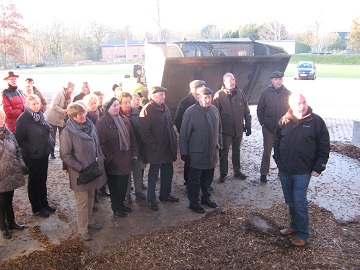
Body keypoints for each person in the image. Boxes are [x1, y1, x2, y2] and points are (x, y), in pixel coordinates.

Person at [273, 93, 330, 247]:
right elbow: (276, 144)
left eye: (304, 102)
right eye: (298, 103)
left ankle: (304, 233)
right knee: (290, 200)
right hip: (285, 170)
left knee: (299, 201)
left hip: (303, 171)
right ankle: (294, 225)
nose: (302, 106)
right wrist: (278, 161)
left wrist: (319, 166)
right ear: (291, 105)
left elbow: (324, 146)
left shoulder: (316, 121)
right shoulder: (283, 121)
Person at [60, 102, 107, 241]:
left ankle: (90, 220)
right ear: (73, 117)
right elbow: (65, 155)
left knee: (91, 196)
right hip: (80, 172)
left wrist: (101, 160)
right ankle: (83, 228)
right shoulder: (67, 132)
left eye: (84, 113)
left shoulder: (91, 125)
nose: (83, 116)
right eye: (80, 114)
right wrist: (80, 168)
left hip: (93, 168)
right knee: (82, 201)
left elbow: (97, 144)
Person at [179, 86, 222, 214]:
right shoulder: (190, 112)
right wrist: (184, 153)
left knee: (208, 178)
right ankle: (193, 202)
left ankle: (206, 198)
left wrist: (220, 145)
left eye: (209, 97)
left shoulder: (214, 110)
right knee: (194, 180)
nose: (208, 100)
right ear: (198, 97)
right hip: (197, 153)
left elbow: (219, 129)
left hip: (212, 152)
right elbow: (184, 134)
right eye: (205, 97)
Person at [96, 97, 138, 218]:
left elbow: (132, 137)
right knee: (115, 187)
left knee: (123, 185)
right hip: (113, 162)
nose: (117, 107)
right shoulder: (102, 123)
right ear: (107, 108)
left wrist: (134, 153)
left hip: (126, 158)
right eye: (113, 106)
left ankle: (121, 204)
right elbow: (100, 144)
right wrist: (111, 158)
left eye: (117, 105)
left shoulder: (124, 119)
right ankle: (116, 207)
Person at [15, 94, 56, 218]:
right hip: (33, 156)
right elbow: (19, 140)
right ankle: (37, 208)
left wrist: (50, 143)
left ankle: (44, 203)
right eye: (33, 104)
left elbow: (46, 132)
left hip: (44, 153)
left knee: (42, 180)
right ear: (27, 105)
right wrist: (33, 149)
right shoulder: (23, 120)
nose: (37, 106)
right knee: (34, 181)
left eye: (38, 103)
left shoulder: (40, 115)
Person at [139, 86, 179, 211]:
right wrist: (154, 146)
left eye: (164, 94)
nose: (164, 97)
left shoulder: (165, 107)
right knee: (153, 176)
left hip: (167, 148)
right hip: (156, 150)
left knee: (168, 172)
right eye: (161, 94)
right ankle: (151, 200)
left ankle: (165, 195)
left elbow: (171, 123)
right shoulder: (147, 110)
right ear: (153, 96)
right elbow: (144, 133)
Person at [213, 72, 251, 182]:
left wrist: (248, 125)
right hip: (225, 131)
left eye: (233, 80)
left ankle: (237, 171)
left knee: (236, 151)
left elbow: (246, 111)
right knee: (223, 153)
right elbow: (215, 114)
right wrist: (217, 130)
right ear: (224, 82)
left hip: (238, 129)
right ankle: (223, 173)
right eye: (229, 80)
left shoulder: (240, 94)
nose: (232, 82)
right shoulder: (219, 95)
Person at [257, 71, 291, 183]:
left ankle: (282, 172)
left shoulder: (288, 93)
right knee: (267, 151)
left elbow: (292, 111)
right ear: (272, 81)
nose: (278, 81)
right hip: (268, 128)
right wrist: (263, 123)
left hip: (283, 129)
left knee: (282, 151)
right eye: (276, 79)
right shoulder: (266, 93)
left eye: (280, 79)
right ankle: (263, 173)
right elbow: (260, 109)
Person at [0, 109, 27, 239]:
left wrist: (21, 163)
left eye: (1, 118)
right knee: (1, 202)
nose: (1, 121)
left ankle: (11, 222)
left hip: (10, 173)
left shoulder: (8, 132)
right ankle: (3, 227)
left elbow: (17, 149)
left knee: (9, 200)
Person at [175, 79, 206, 186]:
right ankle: (188, 182)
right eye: (201, 87)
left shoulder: (204, 101)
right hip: (190, 139)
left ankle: (202, 182)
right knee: (190, 162)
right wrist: (186, 135)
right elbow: (178, 121)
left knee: (202, 160)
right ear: (194, 89)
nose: (204, 88)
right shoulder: (184, 103)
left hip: (203, 139)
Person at [118, 92, 147, 201]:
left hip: (137, 146)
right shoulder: (118, 115)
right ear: (120, 103)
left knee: (137, 169)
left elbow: (142, 129)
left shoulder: (137, 112)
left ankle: (138, 191)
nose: (127, 105)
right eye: (125, 102)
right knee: (126, 172)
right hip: (124, 150)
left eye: (129, 102)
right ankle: (127, 193)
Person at [82, 94, 110, 198]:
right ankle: (95, 192)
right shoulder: (86, 116)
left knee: (103, 166)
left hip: (102, 143)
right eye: (91, 104)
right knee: (94, 167)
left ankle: (102, 188)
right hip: (92, 145)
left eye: (95, 103)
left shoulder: (101, 113)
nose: (94, 105)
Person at [45, 82, 75, 158]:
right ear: (68, 87)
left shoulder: (69, 95)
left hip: (62, 119)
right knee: (52, 136)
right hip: (53, 118)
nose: (73, 89)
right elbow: (53, 105)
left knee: (63, 136)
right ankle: (52, 153)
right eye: (72, 88)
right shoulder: (59, 94)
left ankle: (63, 153)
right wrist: (63, 111)